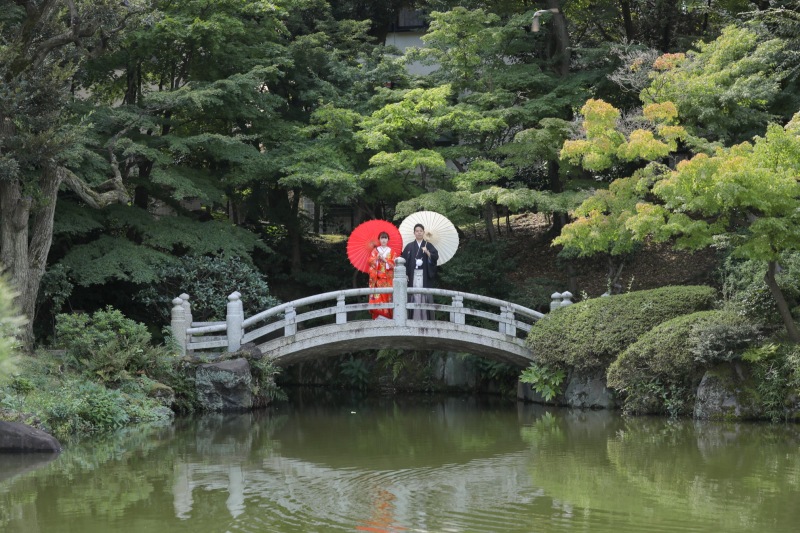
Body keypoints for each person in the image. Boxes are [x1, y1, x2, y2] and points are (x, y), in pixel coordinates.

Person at [402, 223, 439, 320]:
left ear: (423, 232)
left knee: (424, 294)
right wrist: (405, 274)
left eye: (420, 231)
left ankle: (425, 317)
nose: (419, 233)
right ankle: (412, 317)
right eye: (417, 231)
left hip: (424, 275)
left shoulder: (428, 245)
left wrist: (427, 252)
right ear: (414, 233)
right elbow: (403, 260)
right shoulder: (409, 246)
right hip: (412, 275)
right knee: (413, 295)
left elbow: (435, 258)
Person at [368, 232, 396, 320]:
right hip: (378, 280)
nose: (383, 240)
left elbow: (394, 264)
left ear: (388, 239)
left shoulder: (392, 251)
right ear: (379, 240)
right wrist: (376, 258)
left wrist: (385, 260)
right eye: (382, 238)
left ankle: (388, 318)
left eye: (385, 238)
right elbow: (370, 261)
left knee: (388, 299)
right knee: (377, 300)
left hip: (388, 280)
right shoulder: (375, 251)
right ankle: (378, 318)